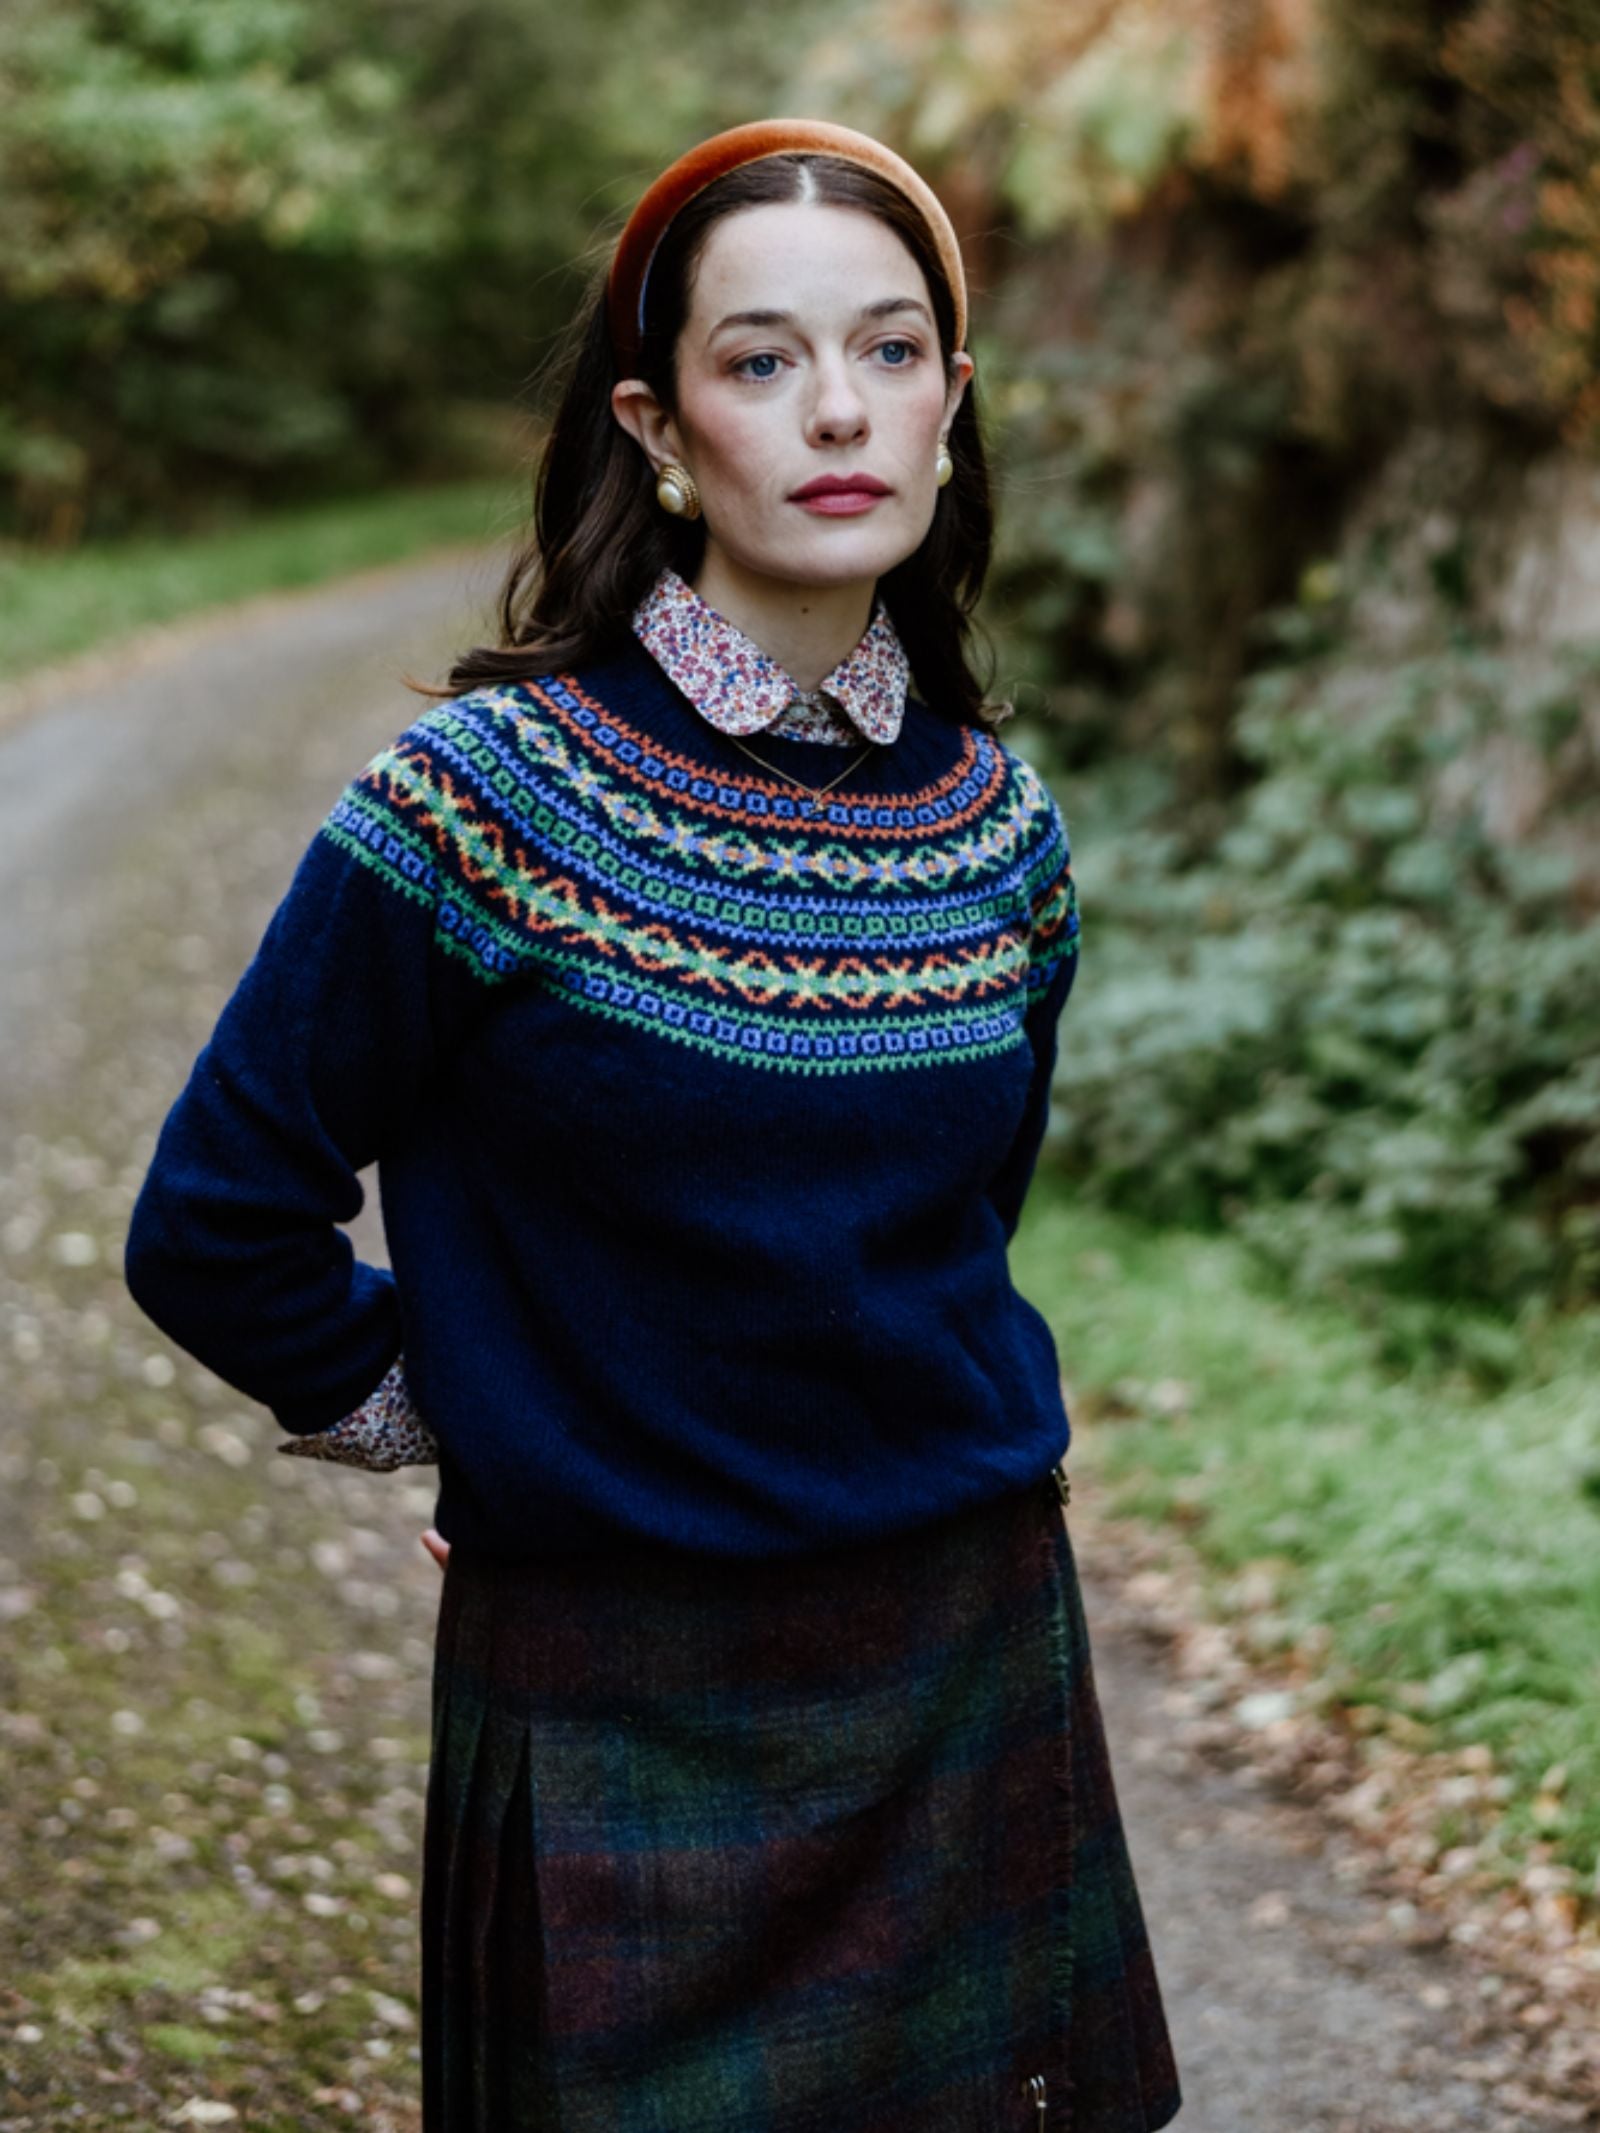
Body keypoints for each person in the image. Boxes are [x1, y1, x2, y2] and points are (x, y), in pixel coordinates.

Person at [123, 116, 1182, 2133]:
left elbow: (957, 1222)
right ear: (657, 419)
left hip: (964, 1649)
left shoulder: (1000, 830)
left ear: (953, 407)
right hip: (615, 1676)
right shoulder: (477, 801)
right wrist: (460, 1411)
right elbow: (215, 1220)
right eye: (760, 358)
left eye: (887, 352)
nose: (836, 409)